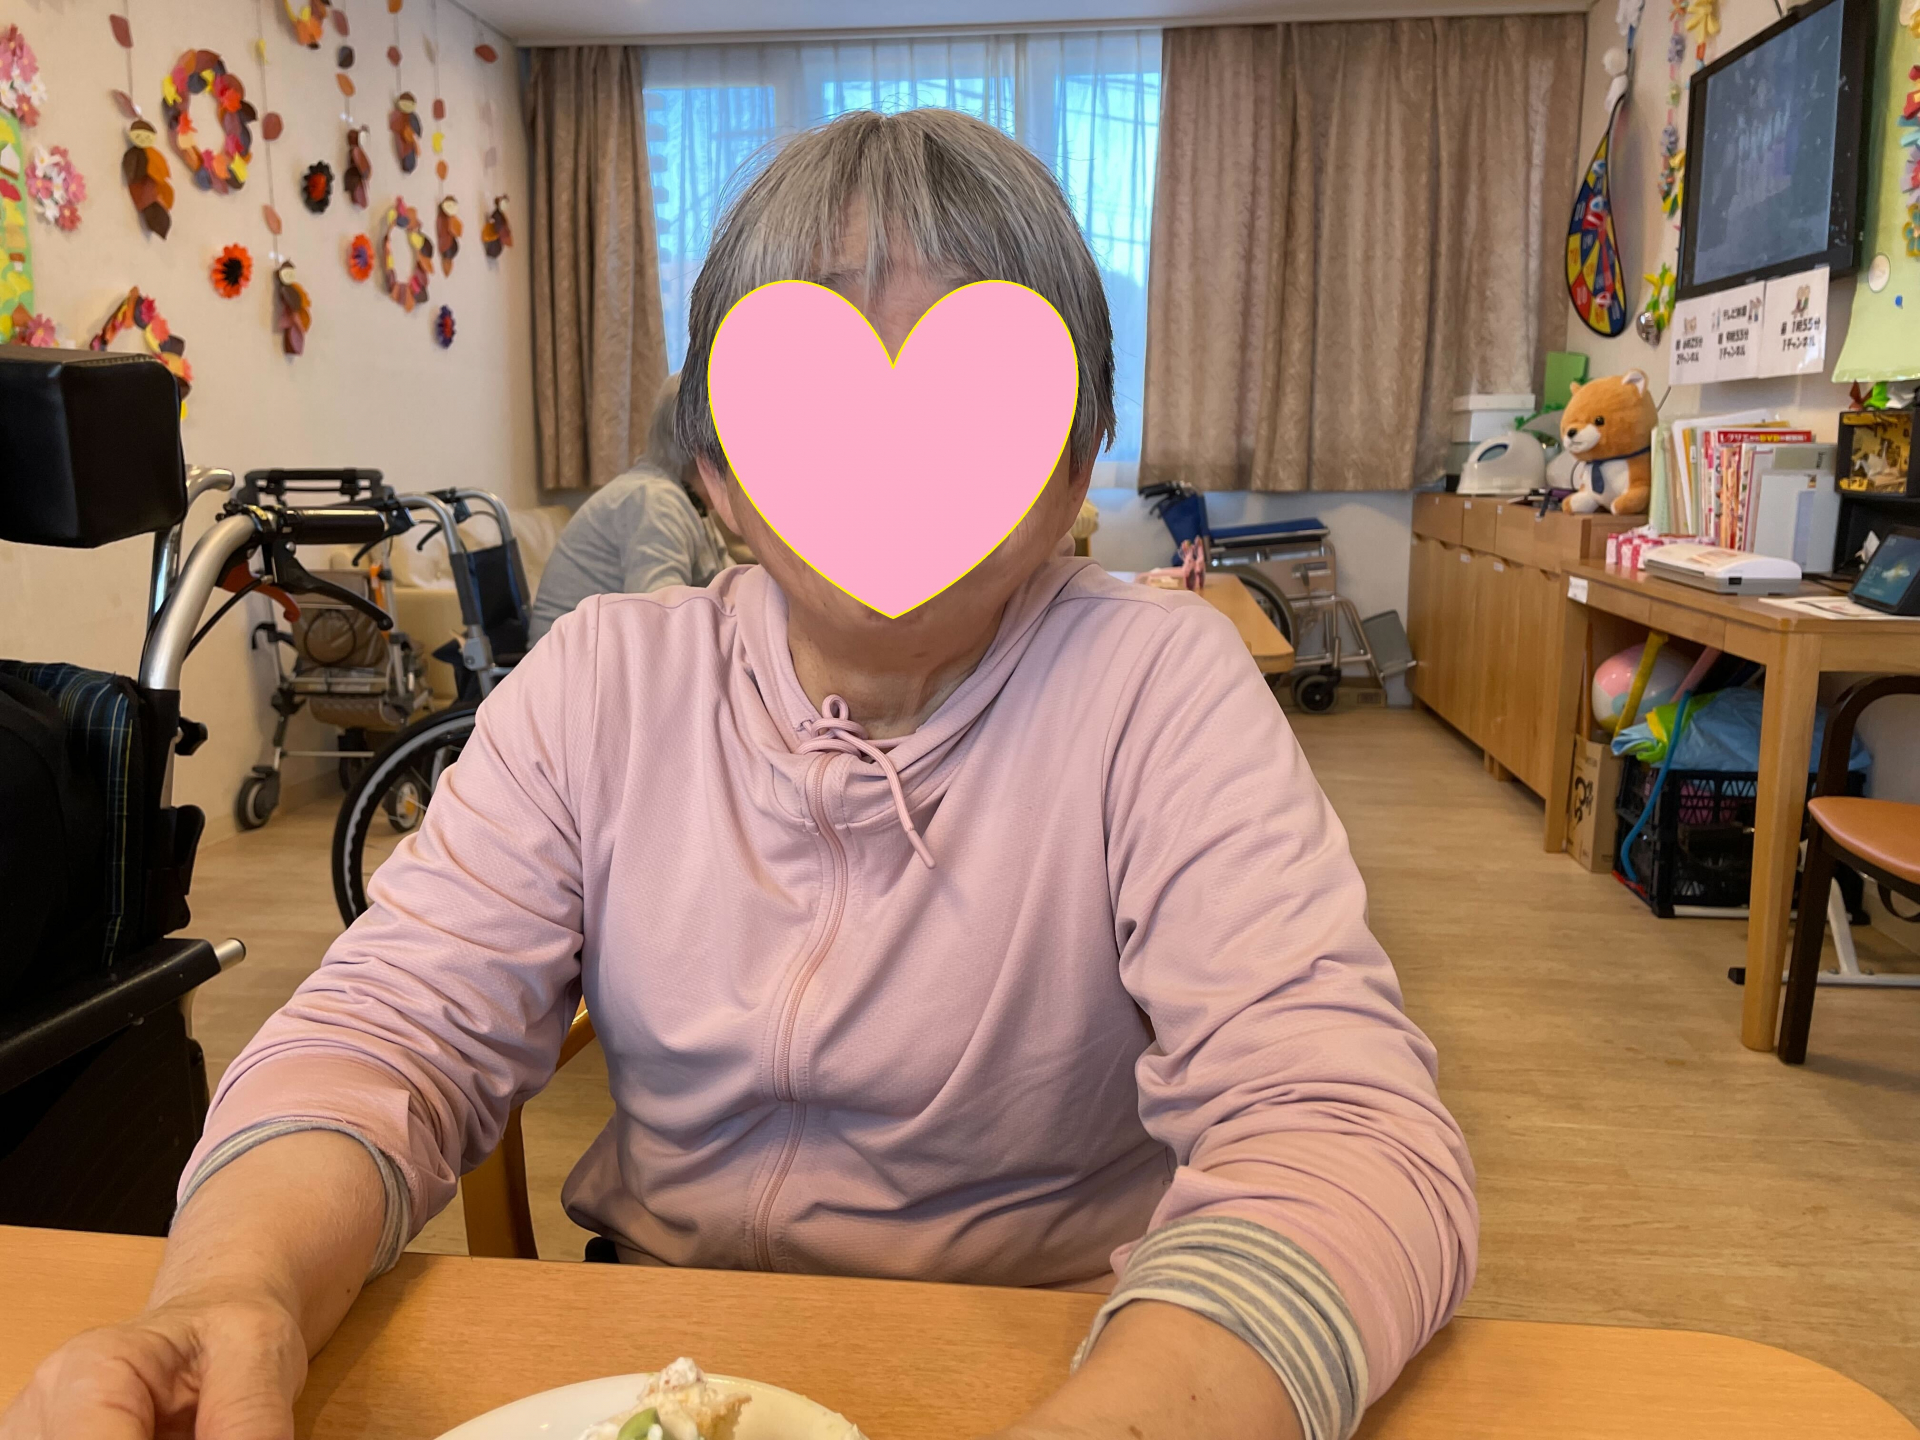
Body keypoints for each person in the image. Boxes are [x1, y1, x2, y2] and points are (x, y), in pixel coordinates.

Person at [1, 109, 1475, 1440]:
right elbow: (388, 1030)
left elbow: (1340, 1133)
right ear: (716, 466)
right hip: (661, 1350)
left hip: (1045, 1354)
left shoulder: (1157, 685)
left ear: (1073, 460)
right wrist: (234, 1289)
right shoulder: (604, 682)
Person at [527, 370, 732, 645]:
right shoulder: (656, 502)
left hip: (601, 653)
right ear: (704, 446)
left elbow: (732, 591)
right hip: (571, 661)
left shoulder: (688, 500)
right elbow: (662, 620)